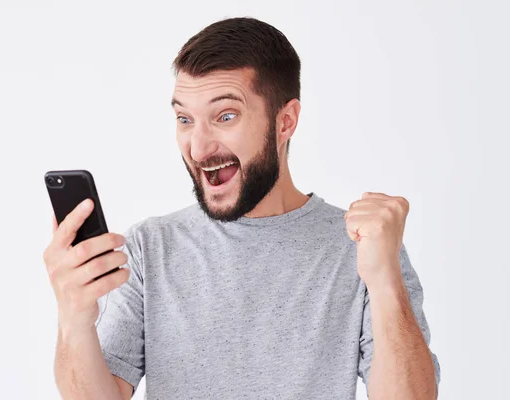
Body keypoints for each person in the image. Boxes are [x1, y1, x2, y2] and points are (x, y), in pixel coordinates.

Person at [43, 17, 441, 400]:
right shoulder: (149, 248)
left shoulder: (360, 245)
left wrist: (385, 280)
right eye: (185, 118)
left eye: (225, 116)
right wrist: (74, 319)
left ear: (285, 121)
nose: (198, 148)